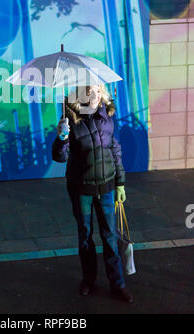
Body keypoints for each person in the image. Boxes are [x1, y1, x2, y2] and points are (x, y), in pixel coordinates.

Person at [52, 84, 133, 303]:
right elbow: (60, 157)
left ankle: (118, 285)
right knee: (85, 237)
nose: (95, 95)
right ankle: (89, 280)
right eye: (90, 91)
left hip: (106, 187)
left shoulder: (106, 117)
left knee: (109, 237)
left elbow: (114, 150)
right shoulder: (70, 121)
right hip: (81, 189)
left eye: (98, 91)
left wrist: (120, 183)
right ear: (80, 96)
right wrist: (61, 138)